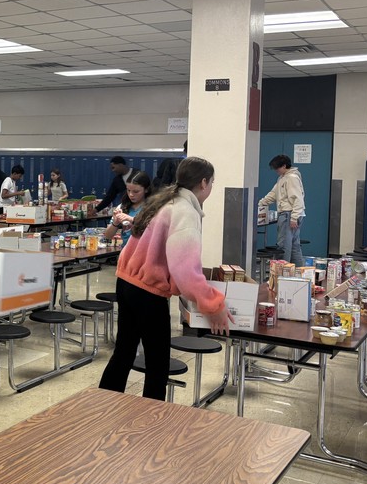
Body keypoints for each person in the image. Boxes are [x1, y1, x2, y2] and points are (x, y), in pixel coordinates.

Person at [98, 157, 232, 401]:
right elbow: (185, 271)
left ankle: (104, 403)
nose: (211, 187)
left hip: (127, 282)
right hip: (147, 292)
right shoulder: (184, 212)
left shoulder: (167, 200)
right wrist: (213, 303)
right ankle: (153, 419)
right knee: (157, 360)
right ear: (203, 183)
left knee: (124, 350)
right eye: (212, 182)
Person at [258, 154, 306, 266]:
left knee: (284, 246)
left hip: (288, 215)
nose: (276, 170)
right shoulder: (283, 178)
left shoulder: (291, 178)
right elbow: (273, 194)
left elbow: (297, 198)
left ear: (284, 166)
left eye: (277, 168)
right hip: (291, 214)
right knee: (294, 246)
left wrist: (294, 217)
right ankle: (298, 272)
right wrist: (261, 203)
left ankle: (282, 273)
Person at [103, 170, 152, 244]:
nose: (131, 194)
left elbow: (154, 232)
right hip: (126, 251)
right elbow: (107, 236)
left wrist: (132, 219)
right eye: (128, 190)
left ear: (146, 190)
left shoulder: (153, 207)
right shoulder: (122, 206)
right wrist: (115, 223)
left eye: (136, 191)